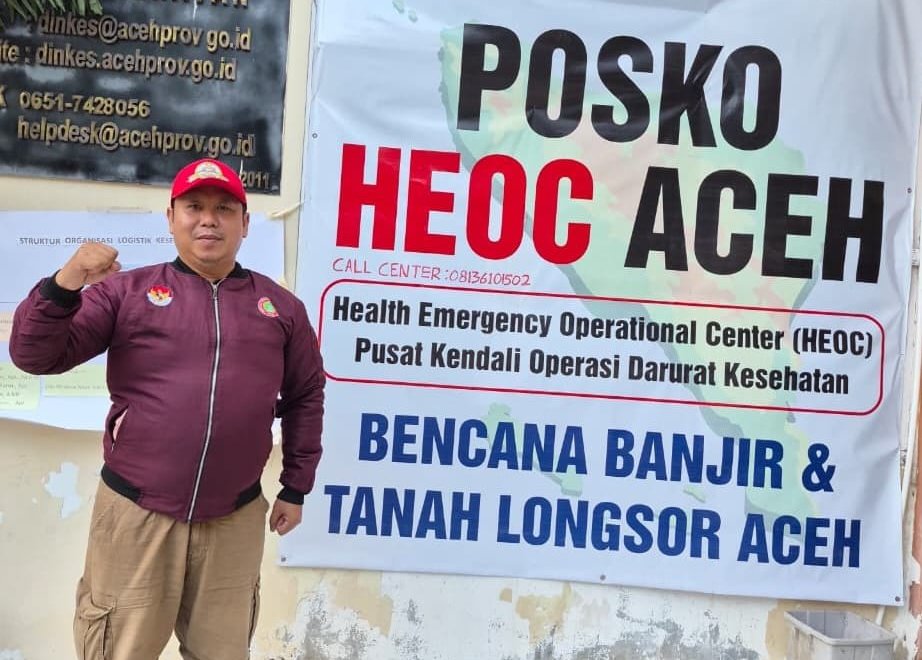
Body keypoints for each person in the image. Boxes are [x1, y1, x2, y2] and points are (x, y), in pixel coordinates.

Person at [9, 158, 325, 660]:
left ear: (245, 224)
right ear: (171, 218)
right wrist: (66, 282)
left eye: (224, 209)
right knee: (118, 649)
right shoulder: (125, 293)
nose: (208, 220)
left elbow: (306, 395)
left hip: (234, 517)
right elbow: (34, 355)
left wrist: (295, 486)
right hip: (136, 512)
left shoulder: (280, 308)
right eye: (194, 207)